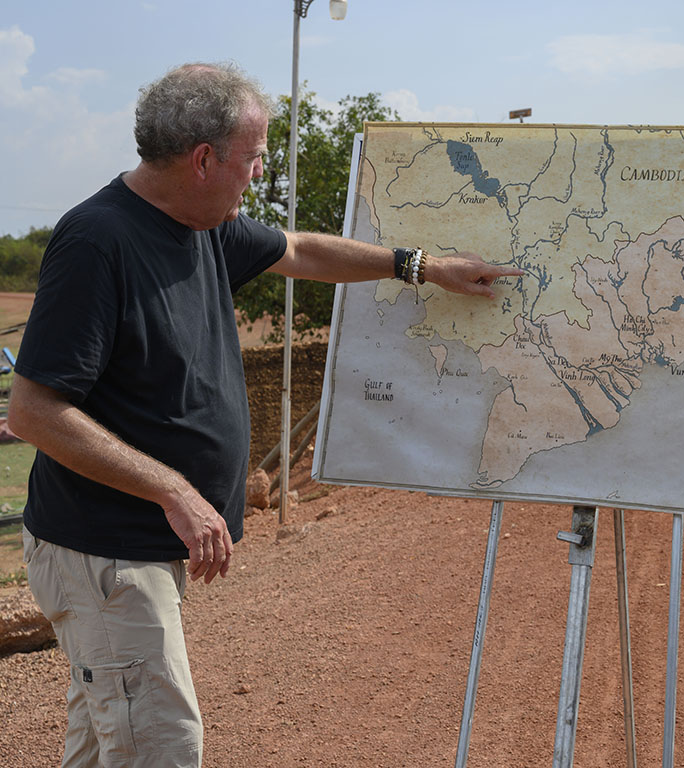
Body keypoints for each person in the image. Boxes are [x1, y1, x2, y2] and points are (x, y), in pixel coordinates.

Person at [7, 62, 522, 767]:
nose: (257, 175)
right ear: (202, 160)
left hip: (130, 553)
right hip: (104, 553)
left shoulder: (206, 224)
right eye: (252, 159)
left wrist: (422, 267)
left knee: (105, 749)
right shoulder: (98, 243)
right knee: (161, 749)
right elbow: (35, 411)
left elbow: (304, 251)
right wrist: (176, 490)